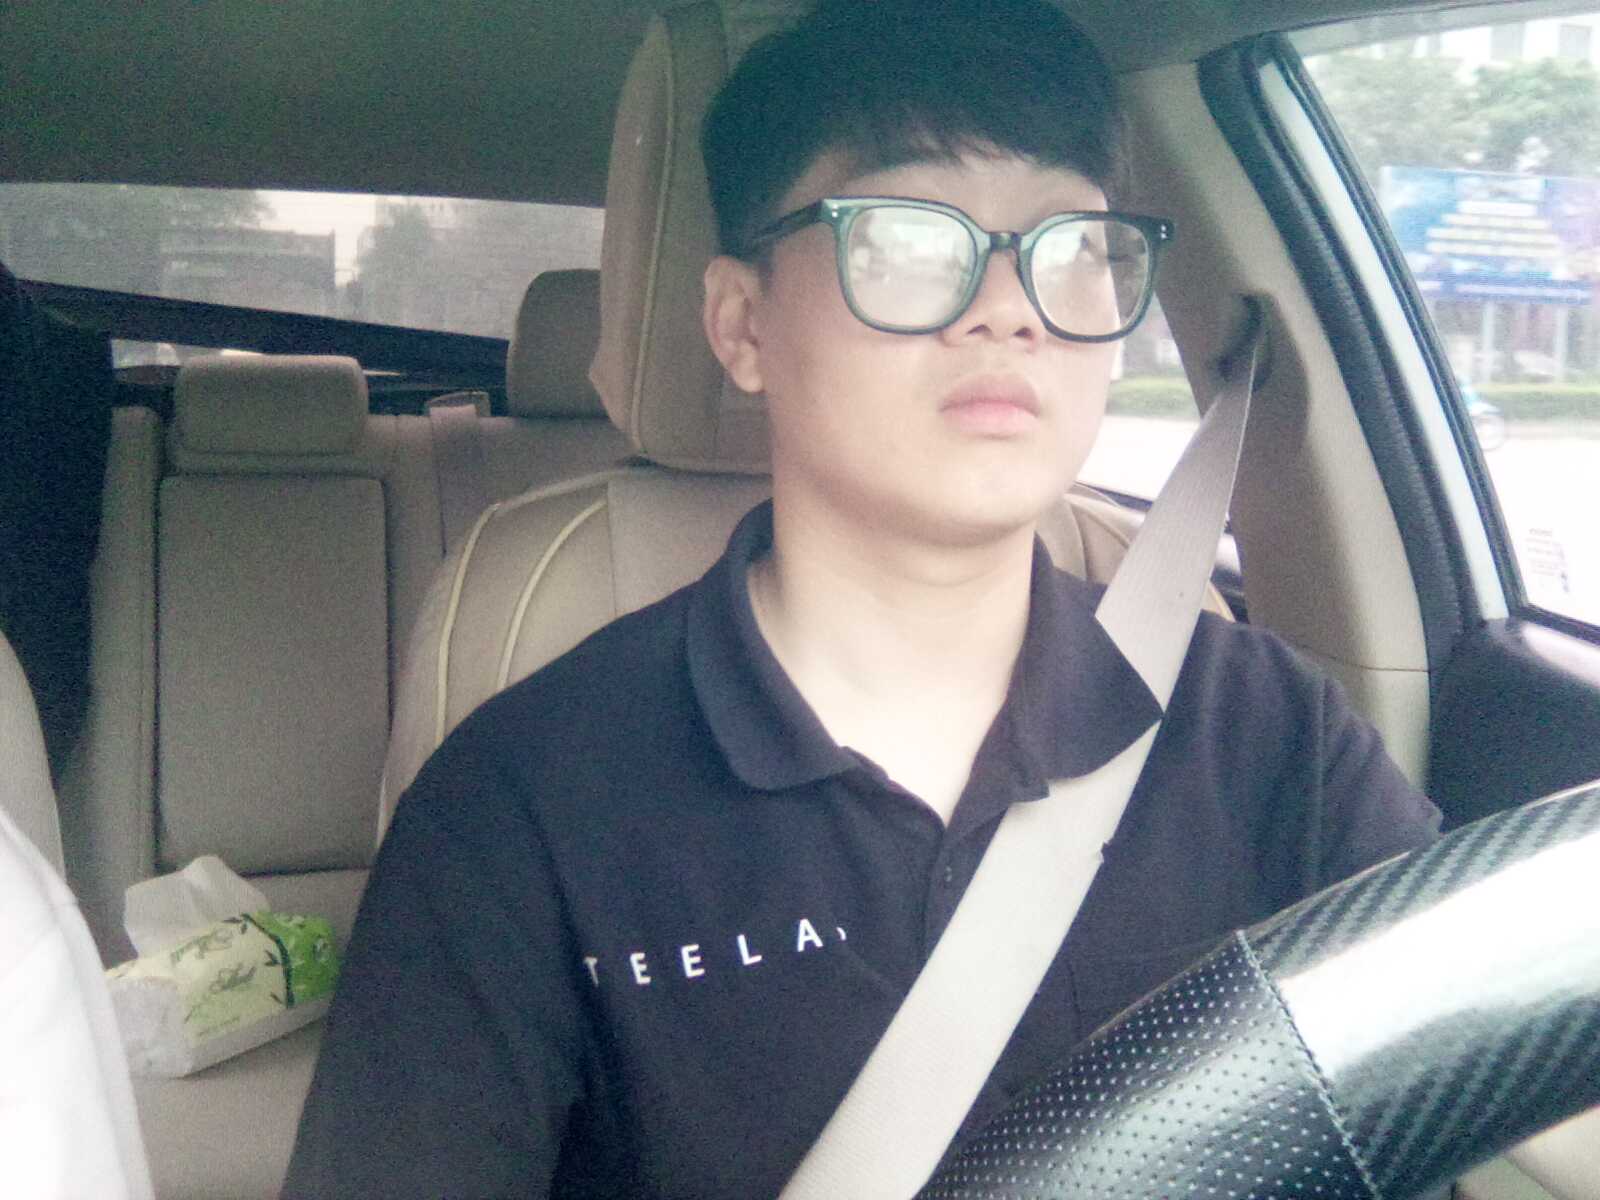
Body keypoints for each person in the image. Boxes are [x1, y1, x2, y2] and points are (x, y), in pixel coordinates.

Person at [284, 2, 1441, 1196]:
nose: (1011, 307)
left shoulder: (1264, 733)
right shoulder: (521, 809)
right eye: (908, 241)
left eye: (1071, 248)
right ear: (742, 325)